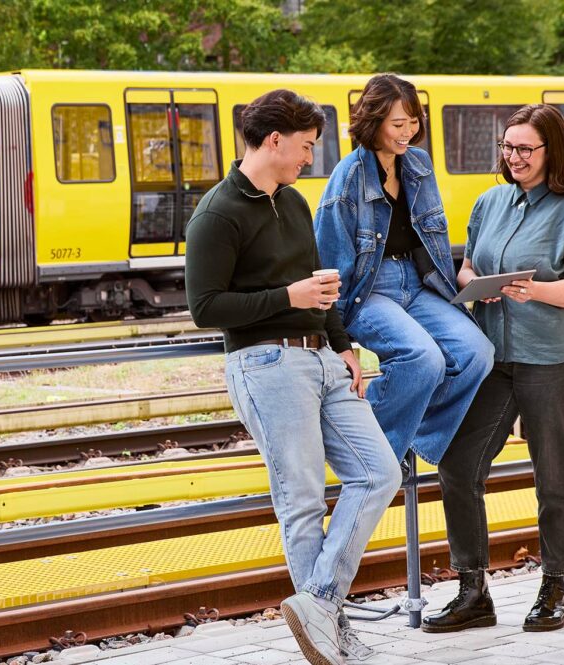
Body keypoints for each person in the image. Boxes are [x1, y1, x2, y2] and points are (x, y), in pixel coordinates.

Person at [186, 89, 399, 665]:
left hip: (324, 360)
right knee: (302, 499)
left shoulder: (296, 203)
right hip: (265, 363)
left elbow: (316, 280)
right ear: (274, 140)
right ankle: (326, 629)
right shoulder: (217, 213)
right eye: (305, 146)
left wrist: (342, 343)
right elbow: (205, 309)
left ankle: (318, 605)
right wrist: (289, 296)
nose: (310, 158)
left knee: (380, 473)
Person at [422, 104, 564, 634]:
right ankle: (473, 590)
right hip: (496, 356)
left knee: (552, 475)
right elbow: (469, 263)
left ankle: (555, 587)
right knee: (459, 465)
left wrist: (535, 291)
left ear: (552, 150)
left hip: (555, 356)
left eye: (526, 148)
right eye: (507, 147)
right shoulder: (489, 202)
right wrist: (471, 279)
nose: (514, 157)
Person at [314, 74, 494, 466]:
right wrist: (338, 335)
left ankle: (409, 436)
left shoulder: (419, 164)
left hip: (420, 283)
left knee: (477, 352)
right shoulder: (348, 177)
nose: (408, 132)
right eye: (398, 124)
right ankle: (365, 448)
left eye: (414, 121)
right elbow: (328, 259)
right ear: (373, 122)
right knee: (422, 358)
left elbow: (433, 241)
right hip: (369, 290)